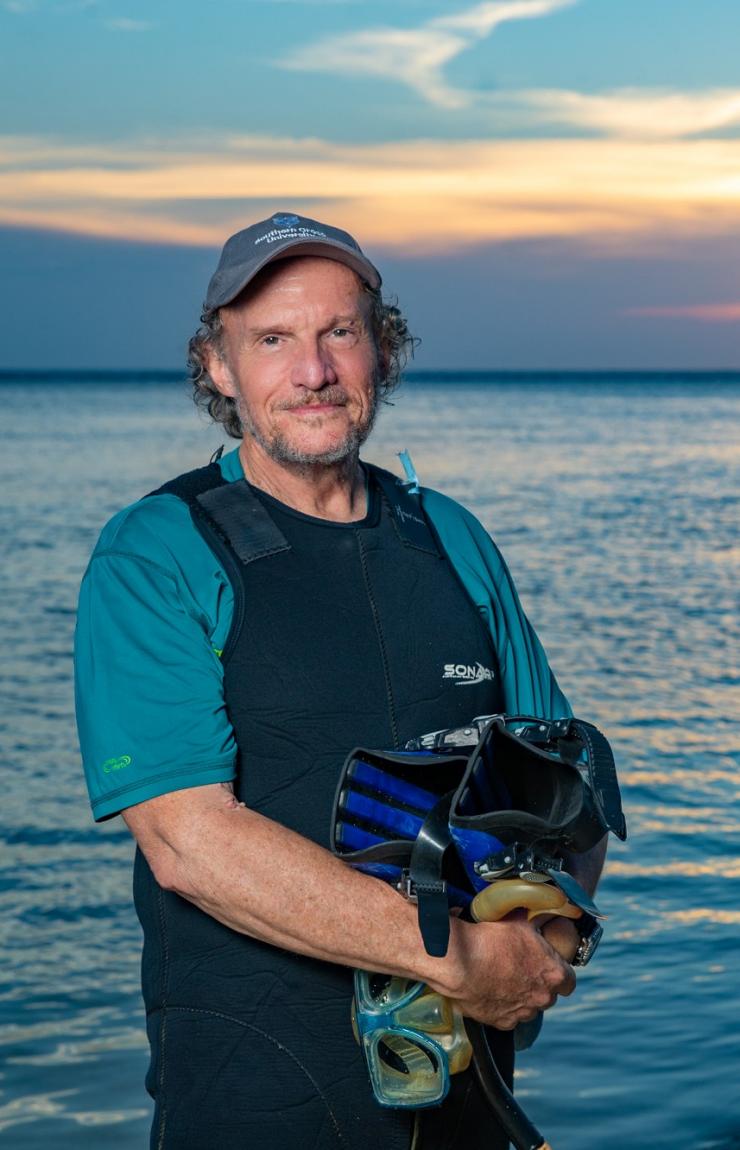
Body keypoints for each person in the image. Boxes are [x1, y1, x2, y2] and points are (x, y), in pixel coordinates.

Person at [75, 211, 606, 1150]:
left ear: (381, 352)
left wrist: (543, 949)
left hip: (469, 1109)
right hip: (254, 1109)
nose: (313, 371)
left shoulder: (449, 536)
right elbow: (191, 843)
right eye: (273, 339)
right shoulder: (156, 551)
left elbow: (563, 789)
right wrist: (457, 958)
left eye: (340, 334)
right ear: (219, 367)